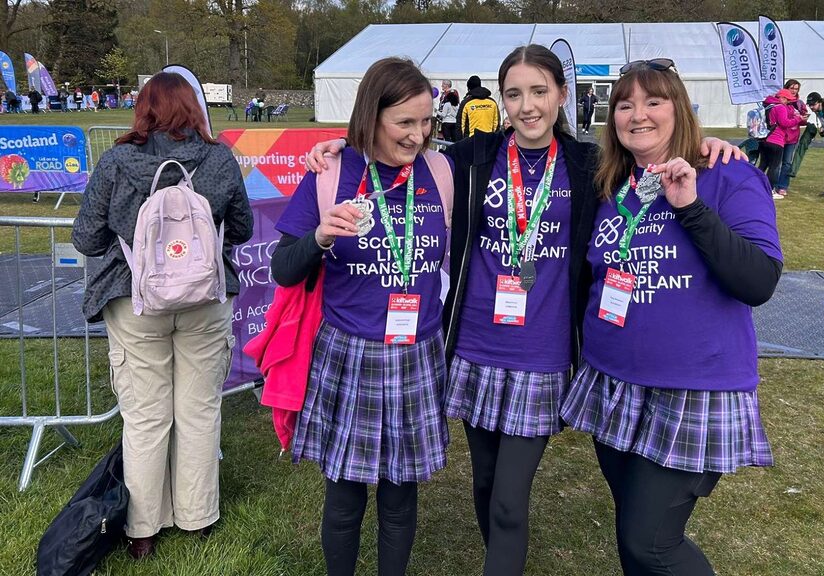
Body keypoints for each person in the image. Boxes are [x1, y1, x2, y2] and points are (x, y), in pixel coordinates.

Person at [304, 47, 742, 576]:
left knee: (510, 500)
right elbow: (401, 150)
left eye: (539, 91)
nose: (527, 106)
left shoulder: (590, 165)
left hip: (543, 353)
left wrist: (710, 145)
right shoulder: (470, 158)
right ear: (500, 99)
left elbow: (652, 156)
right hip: (475, 349)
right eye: (514, 93)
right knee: (486, 488)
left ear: (561, 94)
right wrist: (339, 146)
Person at [560, 58, 783, 576]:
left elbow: (759, 282)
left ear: (678, 108)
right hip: (613, 382)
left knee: (651, 543)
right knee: (633, 534)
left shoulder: (726, 173)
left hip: (691, 388)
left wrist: (691, 207)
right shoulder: (612, 183)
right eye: (625, 104)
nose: (638, 115)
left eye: (653, 101)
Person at [272, 57, 453, 576]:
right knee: (346, 495)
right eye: (405, 122)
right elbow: (285, 269)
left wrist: (703, 148)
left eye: (426, 121)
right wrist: (320, 237)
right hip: (351, 351)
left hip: (418, 352)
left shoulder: (439, 171)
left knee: (400, 495)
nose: (418, 135)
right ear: (372, 116)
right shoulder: (330, 171)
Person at [70, 72, 254, 560]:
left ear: (143, 109)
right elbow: (242, 227)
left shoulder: (115, 162)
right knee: (198, 412)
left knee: (146, 418)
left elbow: (86, 238)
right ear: (194, 108)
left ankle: (144, 529)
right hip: (205, 301)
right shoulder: (219, 159)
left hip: (135, 302)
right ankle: (197, 518)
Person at [758, 88, 801, 199]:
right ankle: (769, 190)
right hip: (776, 140)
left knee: (763, 165)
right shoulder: (780, 107)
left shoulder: (768, 105)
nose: (788, 102)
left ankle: (755, 186)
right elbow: (784, 123)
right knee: (774, 166)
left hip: (764, 139)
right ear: (781, 98)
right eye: (786, 99)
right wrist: (797, 119)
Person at [784, 79, 815, 180]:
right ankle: (772, 185)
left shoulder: (800, 103)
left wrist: (804, 119)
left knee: (787, 162)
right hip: (781, 136)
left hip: (792, 137)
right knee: (776, 163)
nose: (793, 91)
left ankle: (782, 186)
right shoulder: (781, 102)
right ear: (786, 88)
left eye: (796, 89)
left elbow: (801, 121)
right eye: (791, 88)